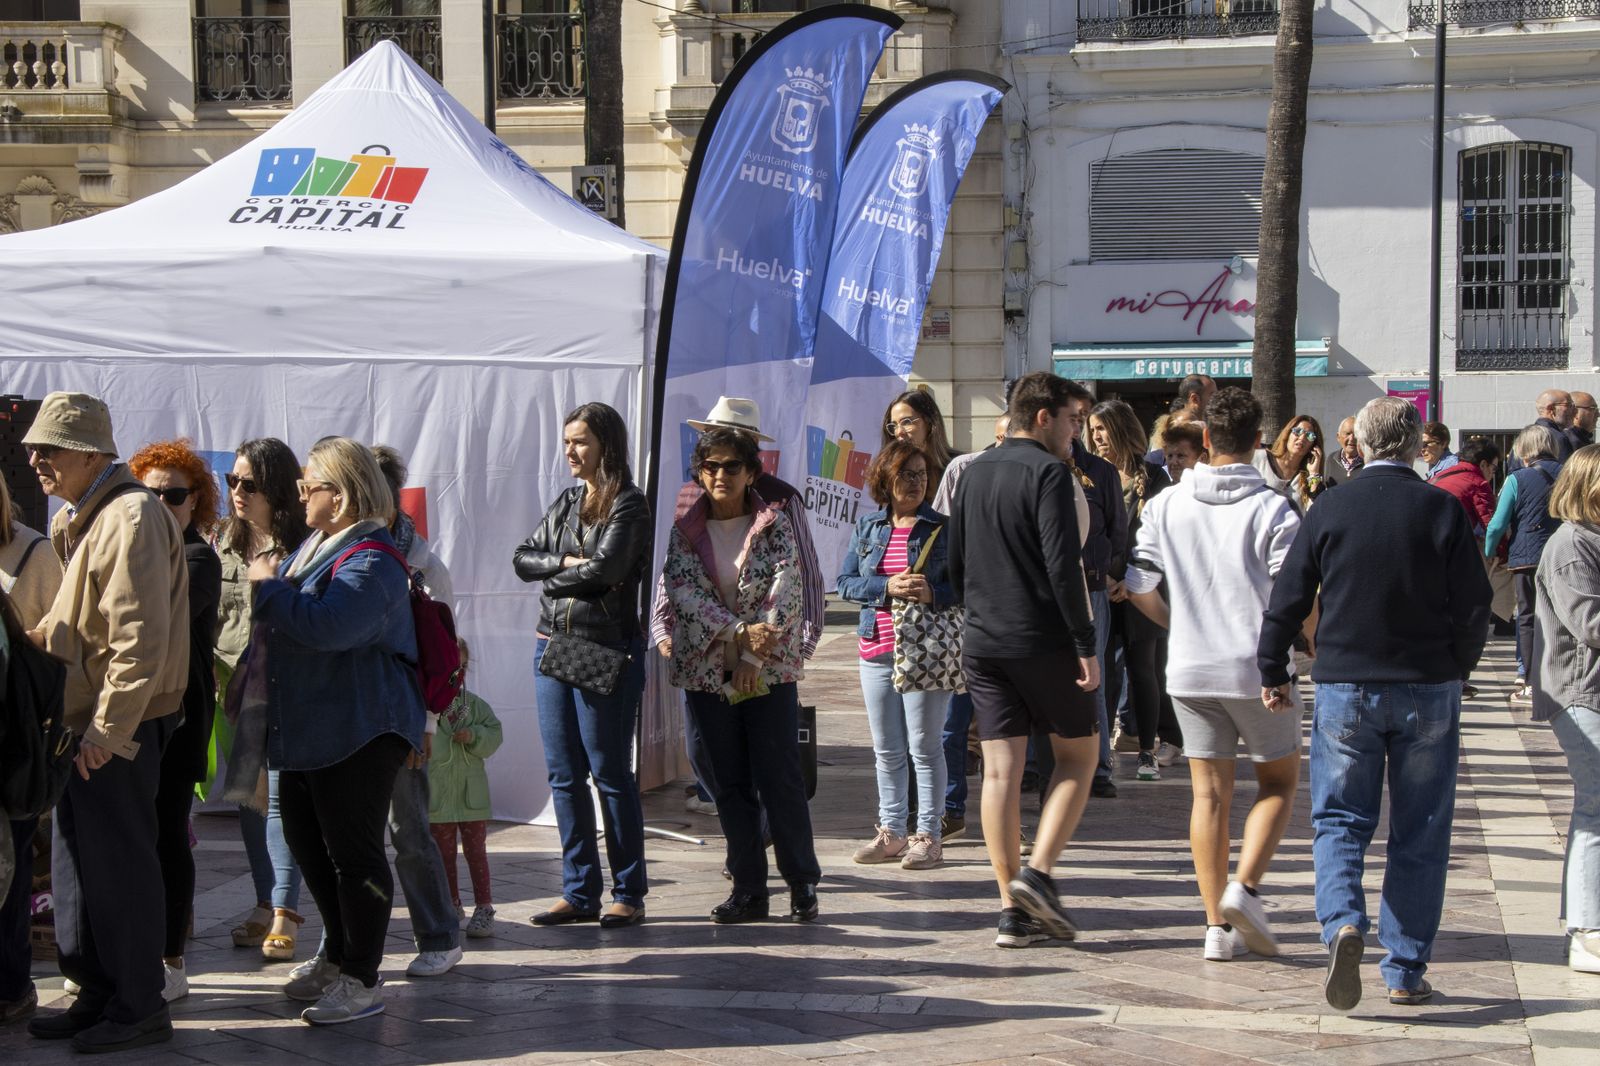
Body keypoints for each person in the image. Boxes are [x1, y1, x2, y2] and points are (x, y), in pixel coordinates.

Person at [1258, 396, 1492, 1011]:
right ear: (1417, 444)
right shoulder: (1440, 509)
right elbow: (1474, 604)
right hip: (1426, 684)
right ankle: (1406, 968)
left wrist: (1271, 665)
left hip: (1346, 686)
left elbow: (1288, 594)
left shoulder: (1331, 506)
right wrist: (1458, 668)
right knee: (1422, 827)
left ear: (1357, 444)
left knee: (1339, 819)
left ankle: (1342, 924)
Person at [23, 392, 189, 1053]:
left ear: (92, 454)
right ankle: (97, 991)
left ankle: (137, 1003)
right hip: (86, 720)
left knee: (118, 866)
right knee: (79, 868)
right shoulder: (93, 515)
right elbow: (90, 625)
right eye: (33, 447)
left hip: (110, 725)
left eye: (49, 448)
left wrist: (108, 731)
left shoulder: (128, 517)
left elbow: (138, 637)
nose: (34, 459)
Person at [249, 436, 426, 1025]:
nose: (300, 493)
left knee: (354, 855)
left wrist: (268, 588)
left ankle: (361, 978)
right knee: (307, 845)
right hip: (312, 726)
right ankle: (336, 951)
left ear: (343, 494)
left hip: (360, 726)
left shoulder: (372, 558)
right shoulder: (321, 545)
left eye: (310, 484)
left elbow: (329, 627)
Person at [1127, 388, 1304, 962]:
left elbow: (1136, 582)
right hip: (1258, 667)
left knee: (1209, 796)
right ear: (1258, 441)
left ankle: (1214, 927)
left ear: (1205, 440)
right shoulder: (1274, 507)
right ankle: (1244, 888)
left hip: (1191, 665)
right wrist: (1306, 650)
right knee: (1278, 783)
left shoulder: (1166, 504)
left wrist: (1177, 623)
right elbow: (1295, 594)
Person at [948, 372, 1101, 948]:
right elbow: (1065, 568)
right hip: (1044, 639)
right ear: (1042, 417)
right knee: (1079, 759)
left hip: (983, 642)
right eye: (1072, 419)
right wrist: (1085, 645)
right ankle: (1037, 873)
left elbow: (956, 565)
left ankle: (1011, 908)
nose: (1076, 431)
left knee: (1000, 774)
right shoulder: (1050, 474)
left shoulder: (972, 471)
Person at [663, 427, 820, 924]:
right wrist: (734, 632)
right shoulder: (685, 527)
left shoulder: (774, 521)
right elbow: (683, 592)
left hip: (767, 671)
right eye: (710, 466)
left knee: (780, 779)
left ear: (752, 472)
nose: (720, 475)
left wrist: (753, 656)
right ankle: (749, 888)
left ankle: (801, 883)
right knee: (726, 783)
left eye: (731, 466)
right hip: (708, 670)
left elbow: (787, 592)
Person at [651, 397, 826, 823]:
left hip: (768, 653)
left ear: (751, 454)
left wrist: (790, 648)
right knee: (707, 752)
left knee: (768, 759)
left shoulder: (782, 501)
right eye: (712, 446)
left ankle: (768, 838)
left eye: (733, 456)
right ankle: (745, 837)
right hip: (703, 651)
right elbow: (677, 572)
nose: (721, 470)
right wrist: (662, 625)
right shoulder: (690, 496)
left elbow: (801, 578)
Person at [514, 402, 652, 929]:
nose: (570, 451)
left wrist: (555, 574)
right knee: (564, 776)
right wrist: (570, 565)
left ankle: (629, 891)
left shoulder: (629, 505)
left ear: (606, 446)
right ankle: (578, 892)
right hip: (553, 645)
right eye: (567, 441)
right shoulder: (569, 501)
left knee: (610, 774)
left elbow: (612, 569)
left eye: (580, 442)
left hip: (604, 647)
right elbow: (522, 557)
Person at [128, 441, 223, 1004]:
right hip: (135, 713)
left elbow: (156, 619)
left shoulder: (197, 557)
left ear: (196, 502)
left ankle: (171, 958)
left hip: (182, 715)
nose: (163, 502)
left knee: (167, 832)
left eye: (176, 494)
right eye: (151, 492)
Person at [368, 445, 463, 977]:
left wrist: (426, 723)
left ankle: (439, 935)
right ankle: (348, 948)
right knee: (351, 838)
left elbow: (440, 652)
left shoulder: (423, 562)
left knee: (408, 830)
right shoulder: (330, 547)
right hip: (352, 713)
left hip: (402, 714)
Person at [838, 439, 955, 871]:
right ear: (885, 478)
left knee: (924, 747)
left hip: (924, 650)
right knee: (887, 748)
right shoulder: (869, 527)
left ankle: (929, 835)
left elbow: (967, 585)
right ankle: (892, 831)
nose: (916, 482)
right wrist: (885, 587)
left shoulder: (943, 527)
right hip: (876, 648)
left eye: (922, 474)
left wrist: (932, 591)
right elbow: (845, 582)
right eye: (907, 474)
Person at [216, 439, 308, 963]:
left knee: (279, 800)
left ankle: (283, 911)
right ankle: (262, 900)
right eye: (232, 481)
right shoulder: (224, 540)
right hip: (231, 689)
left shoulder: (303, 546)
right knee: (249, 801)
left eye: (248, 484)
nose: (237, 493)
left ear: (277, 487)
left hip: (285, 689)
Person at [1530, 445, 1600, 974]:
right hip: (1580, 694)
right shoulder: (1572, 546)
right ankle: (1585, 929)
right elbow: (1590, 624)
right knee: (1595, 808)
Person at [0, 474, 62, 1029]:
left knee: (11, 867)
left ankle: (12, 986)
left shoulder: (31, 549)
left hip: (10, 738)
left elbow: (58, 637)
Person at [1089, 400, 1175, 781]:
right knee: (1102, 669)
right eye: (1092, 430)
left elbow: (1162, 539)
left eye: (1102, 429)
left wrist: (1133, 581)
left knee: (1144, 670)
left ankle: (1146, 750)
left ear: (1121, 429)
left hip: (1144, 586)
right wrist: (1105, 579)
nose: (1096, 437)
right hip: (1103, 586)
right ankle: (1101, 749)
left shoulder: (1156, 478)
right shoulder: (1090, 476)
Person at [1070, 393, 1127, 798]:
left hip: (1091, 588)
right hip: (1045, 595)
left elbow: (1117, 530)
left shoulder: (1100, 472)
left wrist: (1109, 572)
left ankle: (1100, 769)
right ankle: (1041, 766)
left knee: (1095, 677)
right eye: (1073, 420)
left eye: (1080, 420)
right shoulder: (1040, 467)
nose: (1077, 428)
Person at [428, 638, 504, 939]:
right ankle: (452, 904)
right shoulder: (428, 705)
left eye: (460, 668)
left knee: (476, 852)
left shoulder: (473, 704)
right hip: (439, 796)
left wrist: (473, 734)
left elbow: (495, 733)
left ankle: (484, 906)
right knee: (443, 854)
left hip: (471, 796)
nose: (455, 675)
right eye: (449, 668)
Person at [1486, 423, 1566, 707]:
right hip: (1565, 556)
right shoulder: (1568, 474)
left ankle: (1530, 680)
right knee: (1563, 616)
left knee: (1529, 617)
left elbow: (1497, 524)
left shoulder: (1516, 478)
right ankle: (1562, 678)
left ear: (1523, 449)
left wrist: (1490, 549)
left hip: (1528, 558)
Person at [881, 388, 958, 505]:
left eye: (906, 422)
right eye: (894, 425)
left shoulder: (957, 468)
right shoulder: (890, 471)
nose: (899, 432)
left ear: (929, 423)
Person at [1254, 415, 1327, 511]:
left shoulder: (1308, 476)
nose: (1302, 438)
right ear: (1287, 434)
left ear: (1313, 446)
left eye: (1309, 435)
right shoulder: (1260, 458)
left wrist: (1314, 473)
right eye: (1297, 431)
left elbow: (1316, 510)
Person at [1508, 389, 1575, 470]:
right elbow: (1566, 476)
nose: (1574, 410)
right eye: (1569, 405)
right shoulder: (1557, 438)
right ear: (1551, 409)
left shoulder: (1521, 438)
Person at [1324, 416, 1364, 488]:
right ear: (1338, 437)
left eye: (1356, 434)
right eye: (1348, 433)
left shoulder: (1368, 461)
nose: (1352, 439)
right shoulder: (1331, 459)